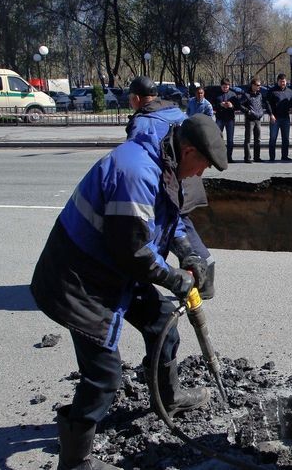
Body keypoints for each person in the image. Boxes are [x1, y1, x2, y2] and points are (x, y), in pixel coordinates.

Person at [30, 114, 228, 470]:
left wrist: (193, 254)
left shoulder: (166, 163)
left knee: (162, 321)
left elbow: (174, 218)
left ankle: (169, 398)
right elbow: (133, 251)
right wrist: (175, 278)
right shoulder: (136, 172)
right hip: (79, 278)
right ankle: (74, 462)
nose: (200, 174)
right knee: (104, 375)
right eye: (202, 165)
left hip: (113, 270)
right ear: (187, 151)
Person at [125, 76, 216, 301]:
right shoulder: (173, 111)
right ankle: (202, 268)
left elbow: (138, 159)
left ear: (136, 99)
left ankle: (201, 272)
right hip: (186, 179)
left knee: (171, 225)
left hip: (173, 183)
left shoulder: (143, 121)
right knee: (180, 225)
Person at [264, 73, 292, 161]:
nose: (283, 83)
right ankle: (272, 157)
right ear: (278, 81)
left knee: (286, 139)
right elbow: (267, 103)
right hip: (275, 118)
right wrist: (271, 114)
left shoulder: (289, 91)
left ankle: (284, 156)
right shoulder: (272, 91)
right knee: (273, 138)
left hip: (285, 118)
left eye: (284, 81)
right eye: (281, 81)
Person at [212, 78, 239, 163]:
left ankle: (229, 157)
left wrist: (232, 106)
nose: (225, 88)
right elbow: (212, 106)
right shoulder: (216, 94)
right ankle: (218, 157)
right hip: (220, 118)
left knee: (230, 140)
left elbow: (238, 106)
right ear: (221, 86)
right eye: (224, 87)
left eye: (227, 87)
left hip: (230, 119)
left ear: (229, 86)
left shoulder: (233, 94)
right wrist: (220, 105)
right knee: (218, 139)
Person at [239, 77, 265, 163]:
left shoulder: (259, 95)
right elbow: (240, 105)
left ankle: (257, 157)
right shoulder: (246, 94)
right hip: (250, 120)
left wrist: (261, 112)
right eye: (257, 85)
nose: (259, 87)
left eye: (260, 85)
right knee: (248, 139)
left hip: (258, 119)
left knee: (258, 139)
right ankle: (247, 158)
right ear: (253, 85)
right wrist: (248, 111)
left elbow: (261, 104)